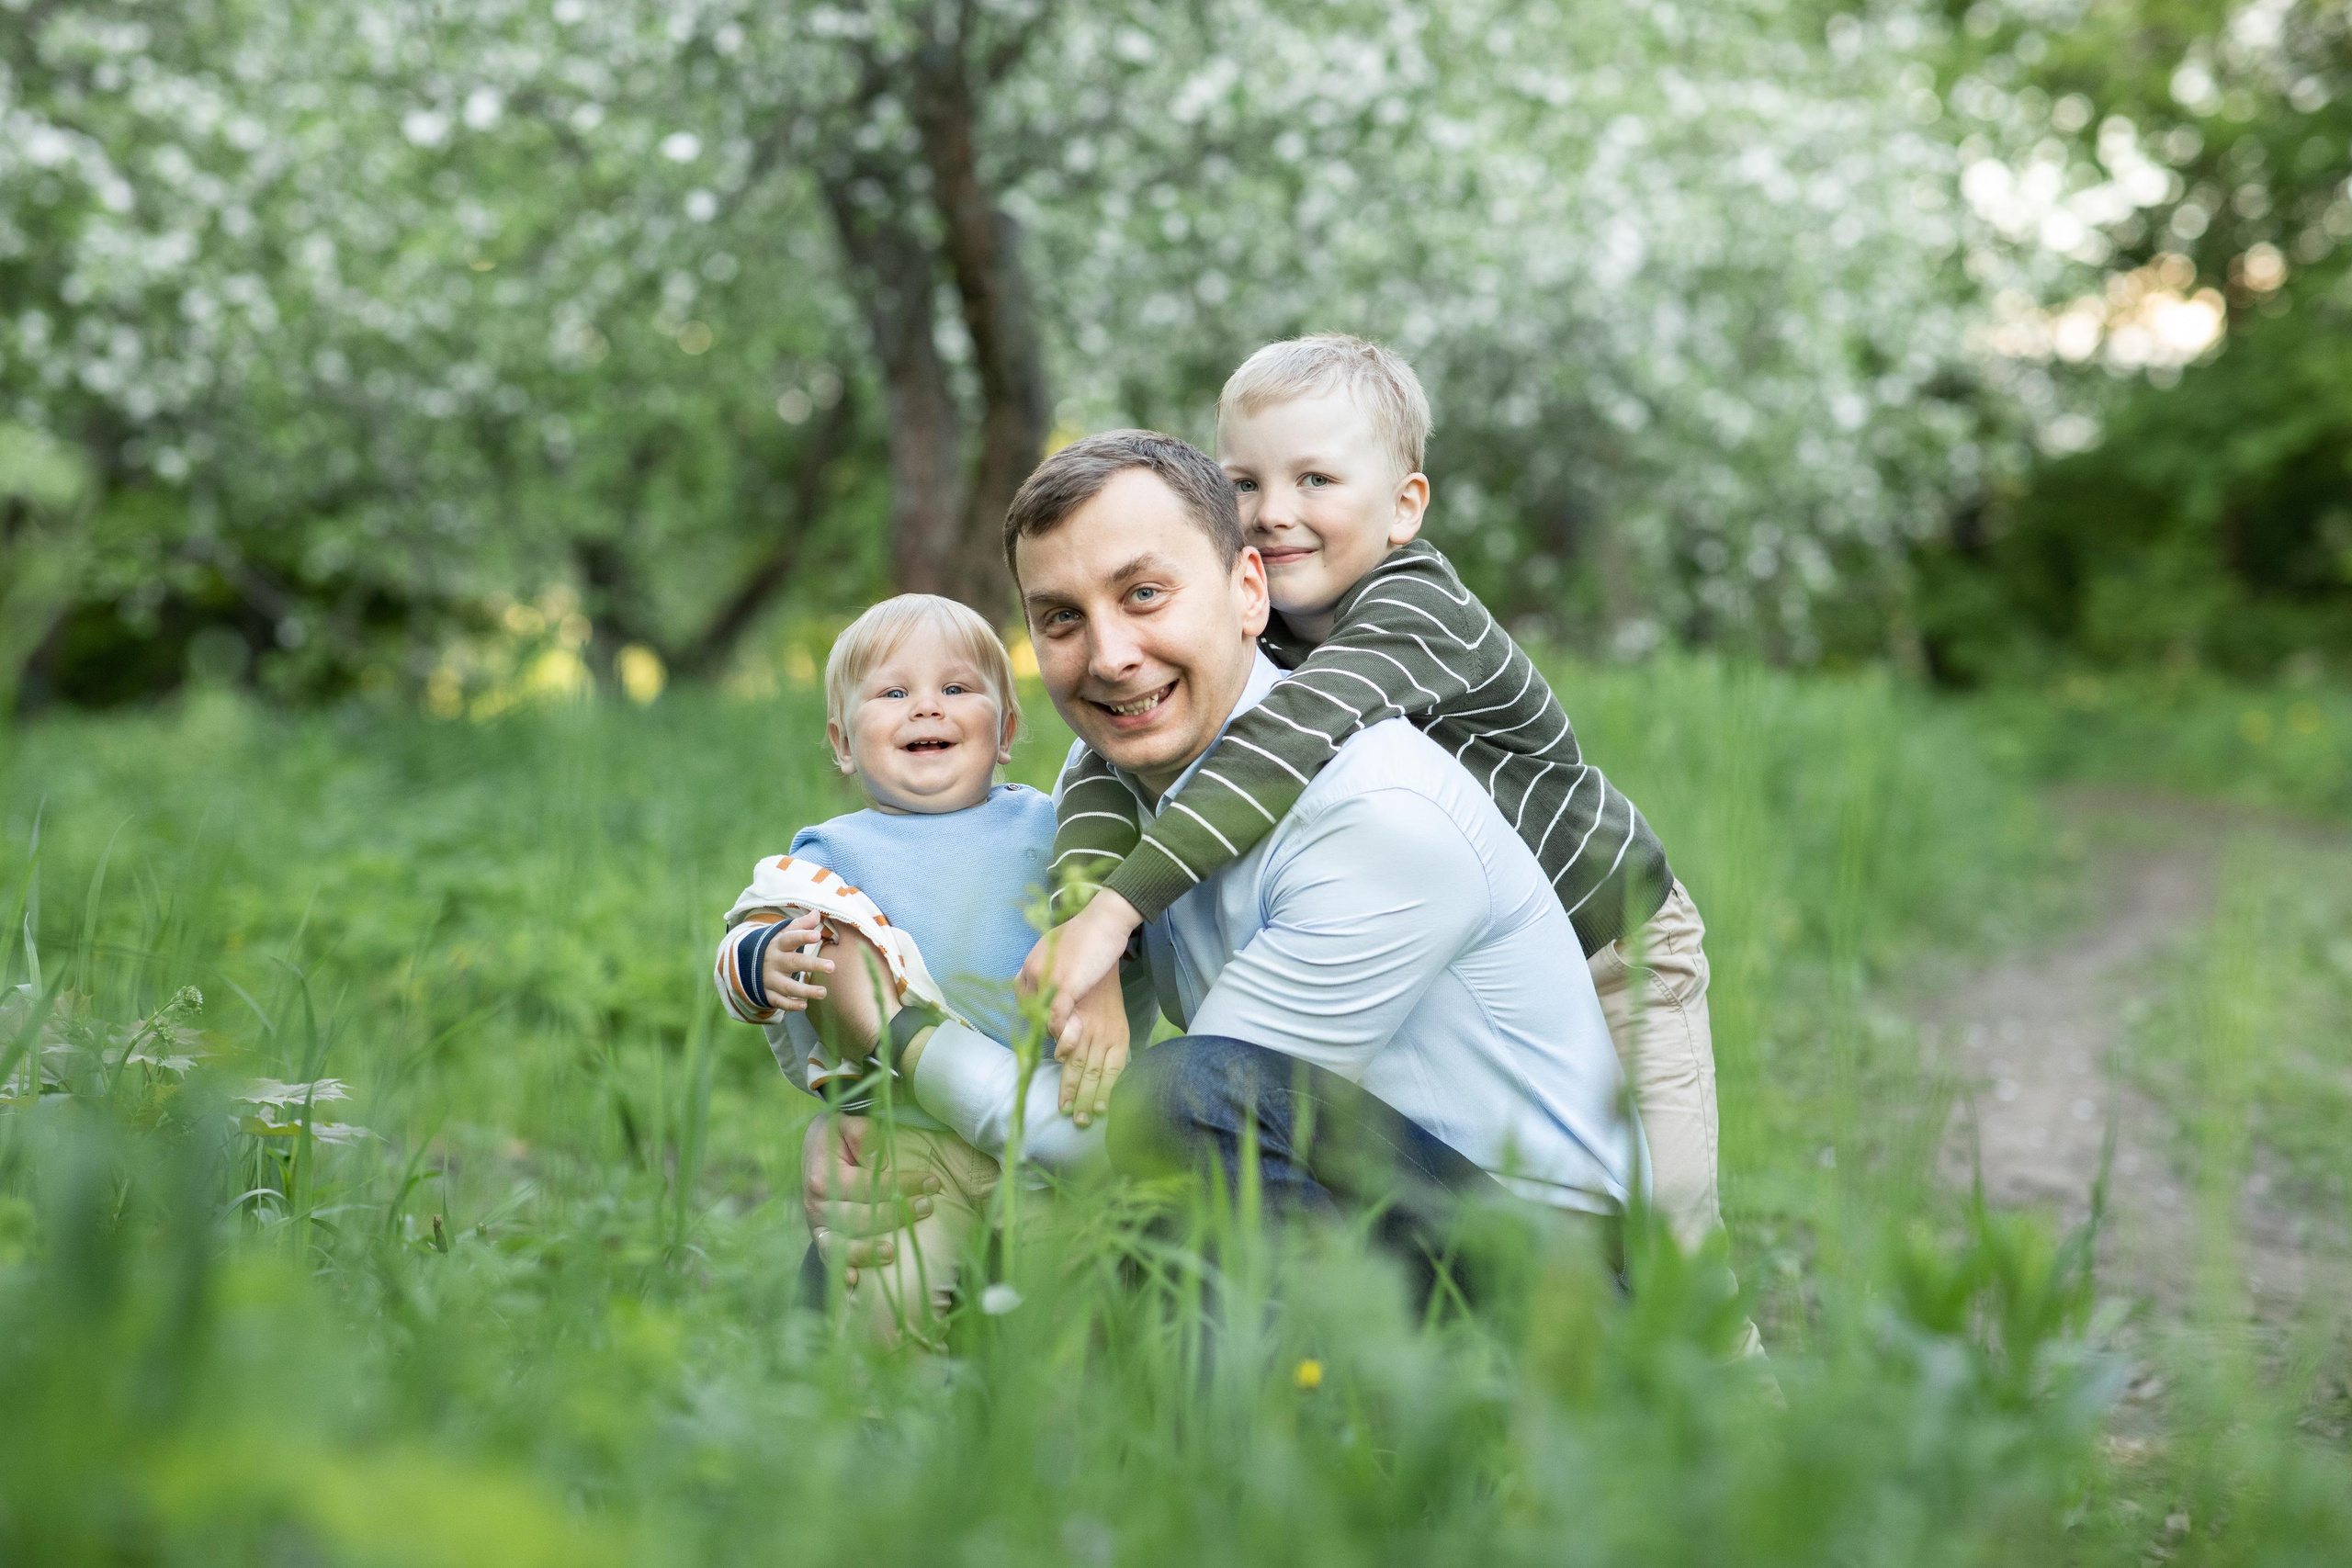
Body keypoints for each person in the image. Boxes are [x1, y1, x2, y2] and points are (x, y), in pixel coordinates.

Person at [808, 431, 1645, 1288]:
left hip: (1546, 1283)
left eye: (1144, 594)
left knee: (1188, 1095)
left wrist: (898, 1032)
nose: (1110, 657)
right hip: (1335, 1198)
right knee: (883, 1221)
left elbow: (1154, 1130)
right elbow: (1092, 1092)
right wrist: (881, 1128)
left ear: (1249, 591)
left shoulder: (1378, 818)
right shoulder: (1109, 776)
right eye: (1062, 617)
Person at [1026, 336, 1730, 1278]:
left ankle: (1724, 1367)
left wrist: (1117, 910)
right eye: (1244, 484)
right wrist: (1082, 926)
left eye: (1315, 480)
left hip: (1614, 935)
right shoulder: (1260, 627)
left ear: (1404, 506)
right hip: (1467, 955)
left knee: (1675, 1236)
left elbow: (1285, 739)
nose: (1274, 513)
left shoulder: (1415, 612)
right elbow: (1096, 769)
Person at [710, 593, 1139, 1346]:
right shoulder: (833, 851)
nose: (926, 708)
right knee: (888, 1293)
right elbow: (751, 923)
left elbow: (1111, 913)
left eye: (955, 687)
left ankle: (1052, 1409)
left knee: (1065, 1311)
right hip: (905, 1139)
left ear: (1006, 731)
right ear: (843, 742)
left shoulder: (1049, 822)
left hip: (1052, 1124)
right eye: (893, 692)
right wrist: (763, 957)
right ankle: (890, 1405)